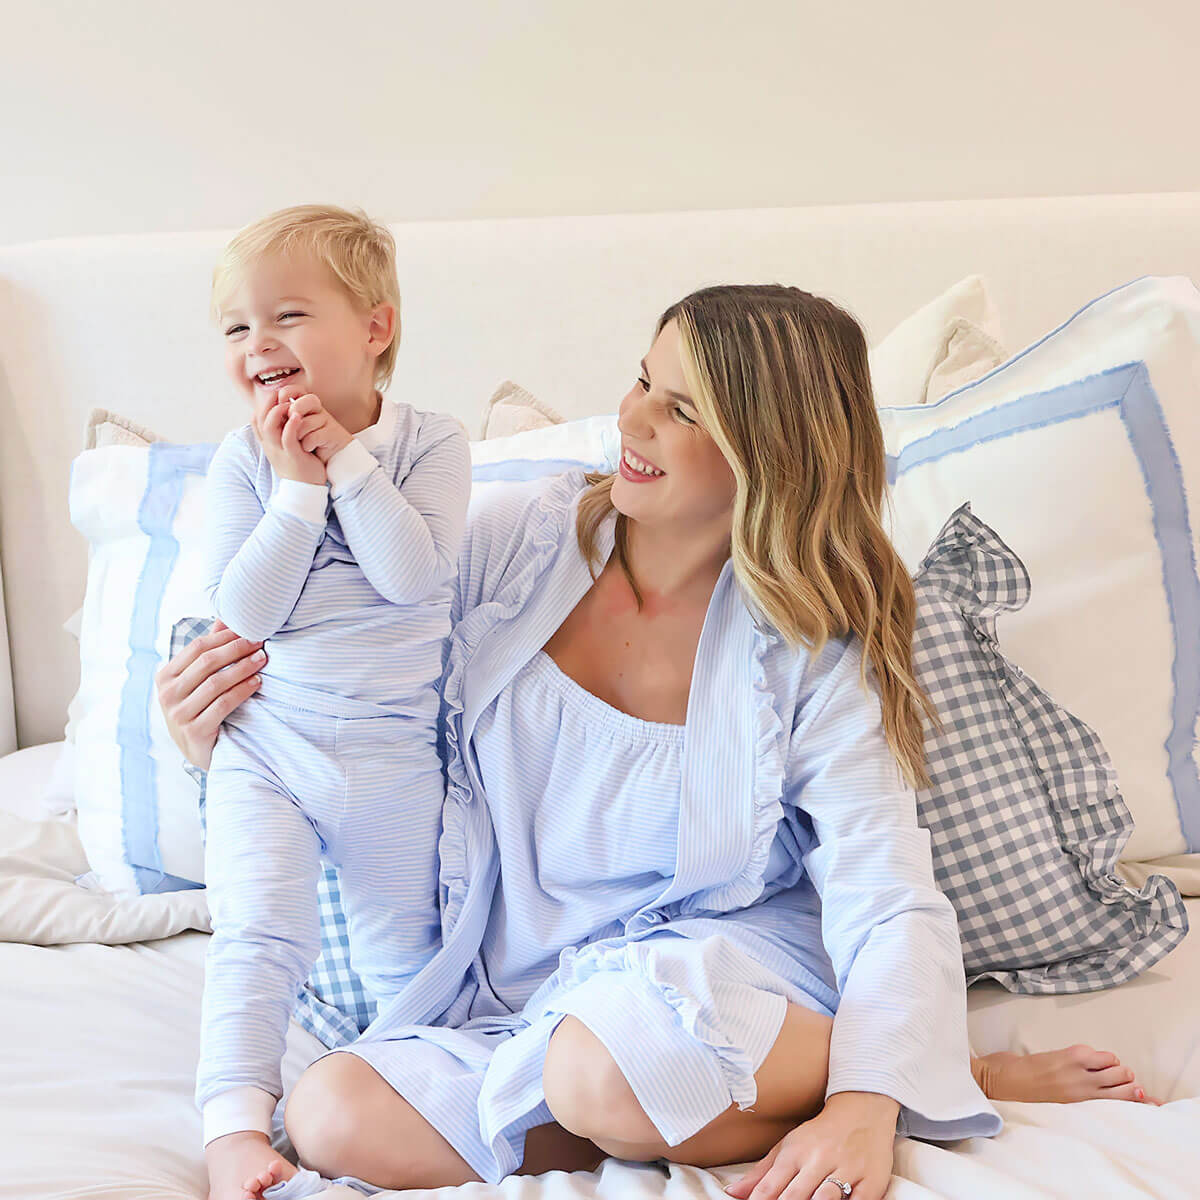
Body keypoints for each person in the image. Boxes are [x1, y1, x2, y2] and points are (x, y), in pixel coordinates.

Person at [161, 284, 1159, 1200]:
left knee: (601, 1065)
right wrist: (217, 727)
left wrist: (866, 1104)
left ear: (769, 457)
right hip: (519, 988)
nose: (632, 419)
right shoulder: (511, 542)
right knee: (334, 1115)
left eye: (683, 411)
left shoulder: (813, 646)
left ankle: (913, 1075)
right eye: (645, 378)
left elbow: (885, 890)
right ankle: (675, 1113)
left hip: (715, 965)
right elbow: (353, 688)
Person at [191, 204, 470, 1200]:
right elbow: (245, 611)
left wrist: (345, 462)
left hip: (392, 756)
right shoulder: (240, 464)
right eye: (235, 328)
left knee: (411, 952)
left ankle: (396, 1115)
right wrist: (292, 490)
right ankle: (231, 1126)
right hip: (270, 747)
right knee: (259, 931)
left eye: (289, 315)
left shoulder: (430, 443)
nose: (259, 343)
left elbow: (411, 574)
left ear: (375, 329)